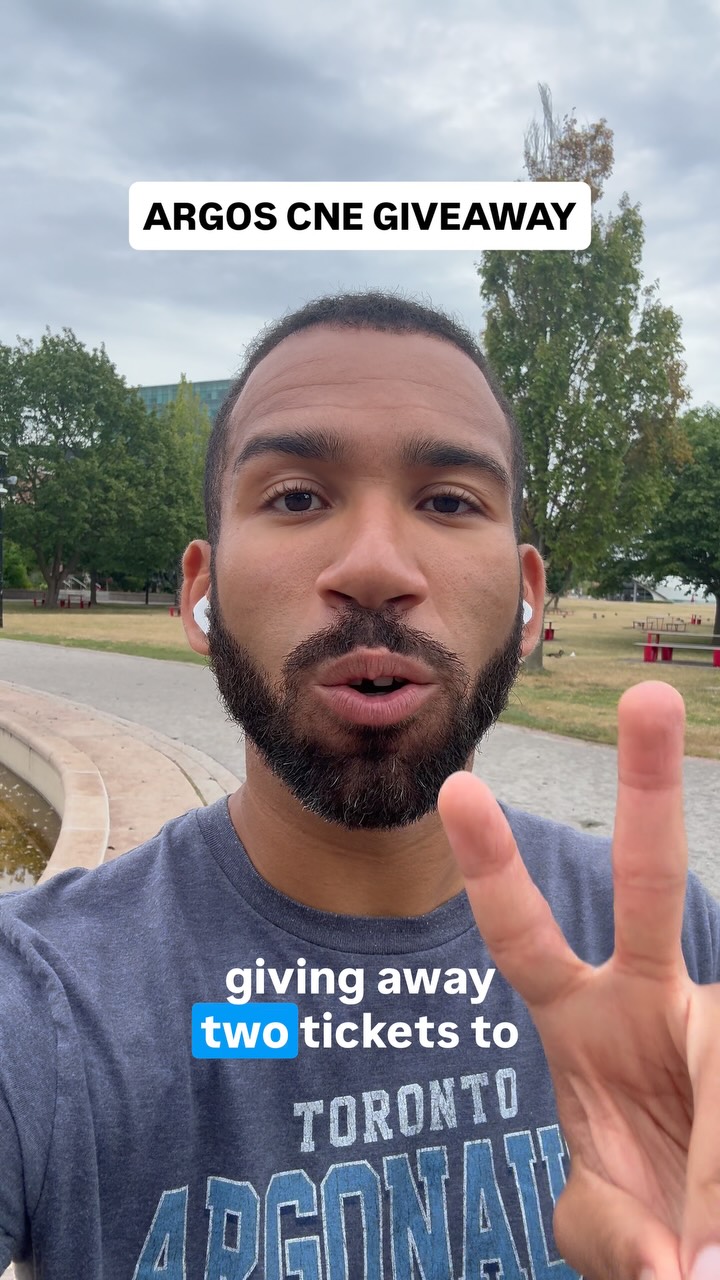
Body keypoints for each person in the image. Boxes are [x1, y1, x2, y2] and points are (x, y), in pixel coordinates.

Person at [1, 291, 718, 1280]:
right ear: (201, 592)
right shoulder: (43, 1003)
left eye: (449, 501)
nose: (375, 567)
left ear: (528, 601)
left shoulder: (671, 947)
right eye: (297, 497)